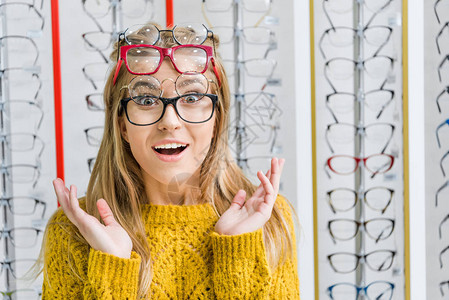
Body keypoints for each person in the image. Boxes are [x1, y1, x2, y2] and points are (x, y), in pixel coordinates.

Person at [31, 23, 300, 299]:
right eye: (146, 100)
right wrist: (111, 269)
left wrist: (238, 251)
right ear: (122, 123)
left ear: (217, 118)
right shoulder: (74, 232)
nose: (170, 122)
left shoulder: (269, 221)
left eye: (192, 97)